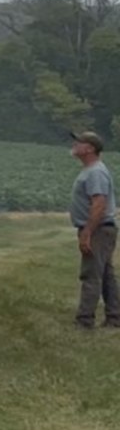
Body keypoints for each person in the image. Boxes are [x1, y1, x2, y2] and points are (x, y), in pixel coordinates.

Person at [69, 129, 120, 329]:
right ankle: (115, 318)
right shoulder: (92, 170)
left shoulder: (95, 172)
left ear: (89, 148)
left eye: (78, 143)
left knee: (91, 274)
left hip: (98, 230)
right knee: (106, 275)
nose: (74, 146)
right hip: (102, 229)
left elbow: (99, 203)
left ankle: (84, 321)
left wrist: (87, 232)